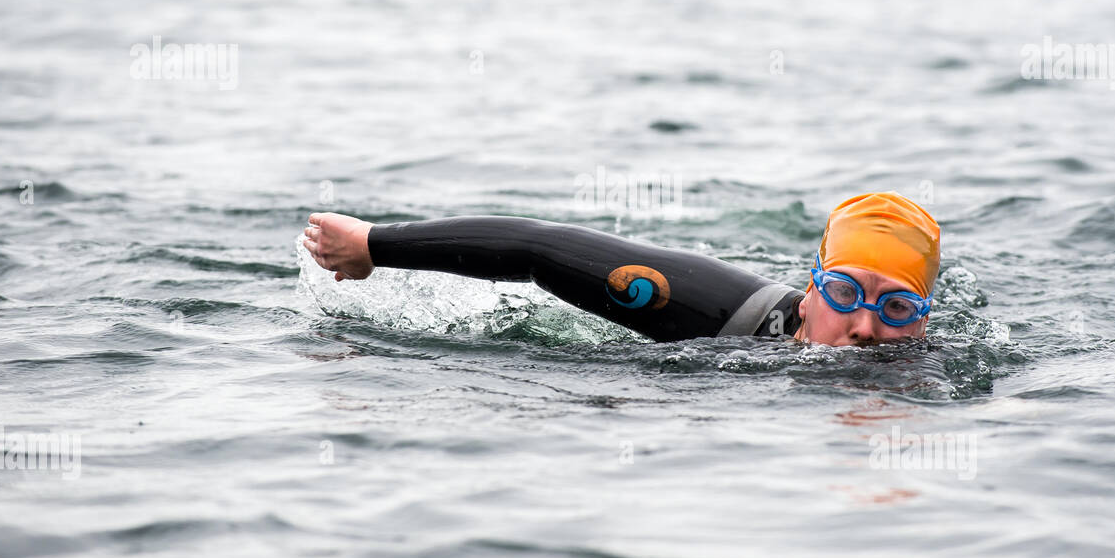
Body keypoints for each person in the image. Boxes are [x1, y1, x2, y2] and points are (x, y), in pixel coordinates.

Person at [302, 192, 940, 346]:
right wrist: (375, 244)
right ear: (810, 290)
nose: (864, 326)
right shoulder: (716, 311)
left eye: (898, 307)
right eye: (845, 291)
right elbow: (538, 249)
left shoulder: (944, 377)